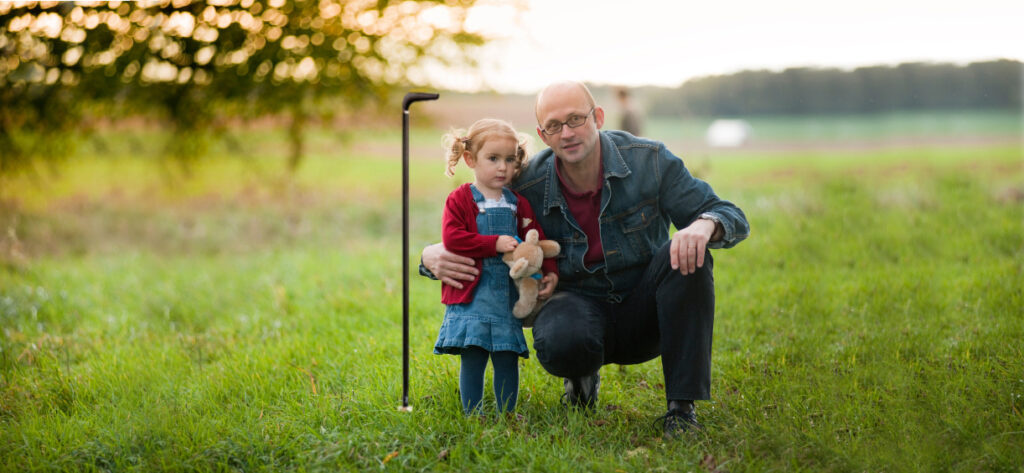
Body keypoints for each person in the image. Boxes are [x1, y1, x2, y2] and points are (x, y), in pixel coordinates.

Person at [422, 82, 749, 435]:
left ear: (599, 118)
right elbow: (476, 218)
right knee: (562, 334)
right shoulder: (527, 182)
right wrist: (430, 255)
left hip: (646, 312)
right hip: (577, 311)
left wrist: (702, 227)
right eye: (554, 125)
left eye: (576, 119)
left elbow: (726, 213)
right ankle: (580, 379)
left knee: (689, 253)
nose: (567, 133)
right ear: (542, 135)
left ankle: (681, 410)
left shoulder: (649, 160)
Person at [432, 118, 559, 416]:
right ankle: (472, 413)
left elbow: (536, 240)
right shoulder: (461, 199)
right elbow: (452, 239)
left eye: (510, 160)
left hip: (506, 298)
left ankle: (506, 414)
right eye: (493, 159)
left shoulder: (518, 204)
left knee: (506, 356)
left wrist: (548, 270)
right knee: (473, 356)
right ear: (470, 159)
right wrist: (493, 244)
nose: (503, 167)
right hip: (473, 297)